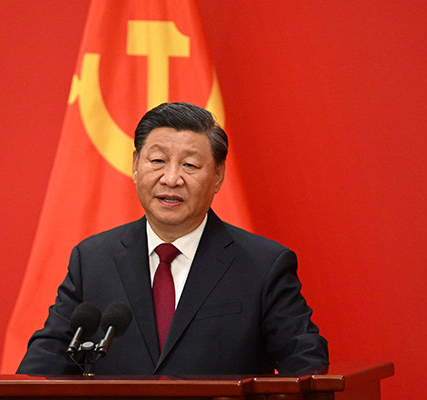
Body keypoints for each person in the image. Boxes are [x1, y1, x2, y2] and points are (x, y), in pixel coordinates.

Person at [17, 102, 328, 375]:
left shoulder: (263, 265)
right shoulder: (93, 259)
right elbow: (47, 359)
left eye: (190, 165)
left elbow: (306, 365)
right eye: (157, 161)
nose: (171, 178)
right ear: (136, 165)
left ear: (218, 175)